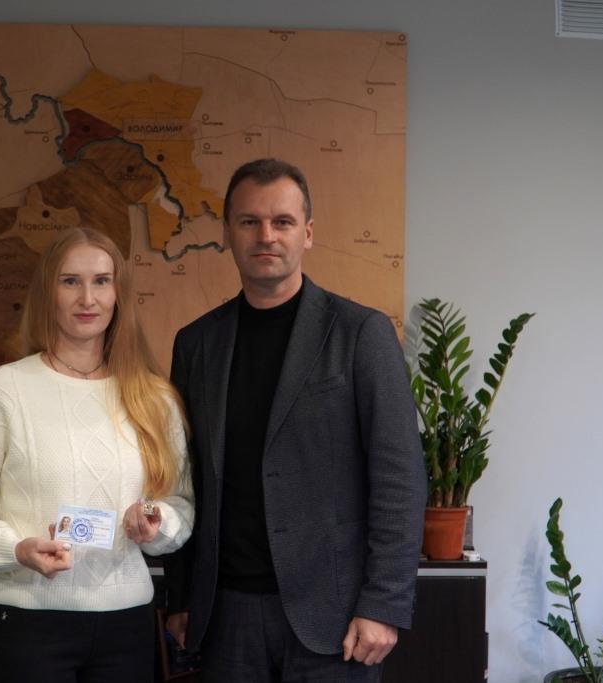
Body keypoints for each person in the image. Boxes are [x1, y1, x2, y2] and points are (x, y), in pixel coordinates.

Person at [163, 159, 426, 682]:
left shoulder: (361, 333)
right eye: (249, 222)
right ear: (227, 233)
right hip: (226, 617)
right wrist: (182, 596)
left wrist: (384, 603)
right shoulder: (197, 344)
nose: (266, 236)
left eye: (282, 222)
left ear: (307, 233)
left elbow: (400, 478)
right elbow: (182, 477)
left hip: (335, 618)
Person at [0, 227, 194, 683]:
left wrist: (156, 522)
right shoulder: (3, 390)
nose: (88, 298)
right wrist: (15, 549)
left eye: (102, 281)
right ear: (47, 293)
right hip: (29, 623)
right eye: (70, 281)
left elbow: (180, 505)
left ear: (118, 293)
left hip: (127, 625)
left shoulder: (155, 398)